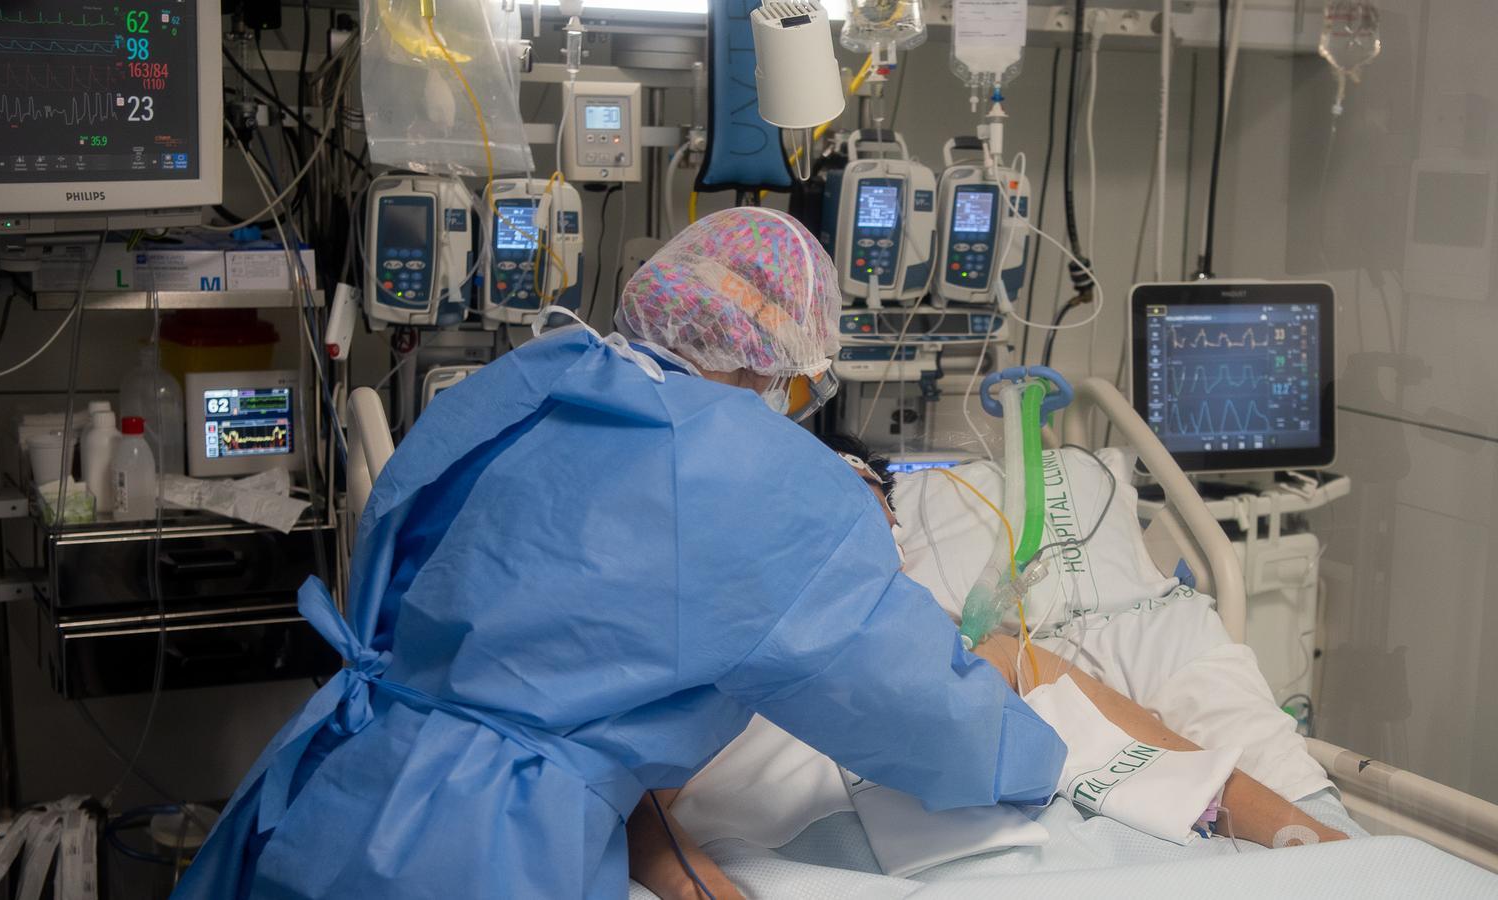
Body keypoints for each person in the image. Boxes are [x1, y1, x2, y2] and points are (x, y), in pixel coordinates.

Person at [172, 208, 1066, 899]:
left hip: (339, 779)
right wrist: (1039, 763)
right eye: (798, 381)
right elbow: (912, 702)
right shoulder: (755, 475)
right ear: (774, 361)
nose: (795, 405)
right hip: (476, 847)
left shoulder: (537, 377)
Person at [627, 436, 1345, 900]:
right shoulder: (706, 672)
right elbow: (631, 805)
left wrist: (1314, 844)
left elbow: (1156, 755)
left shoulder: (968, 647)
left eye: (878, 518)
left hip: (1081, 865)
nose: (859, 543)